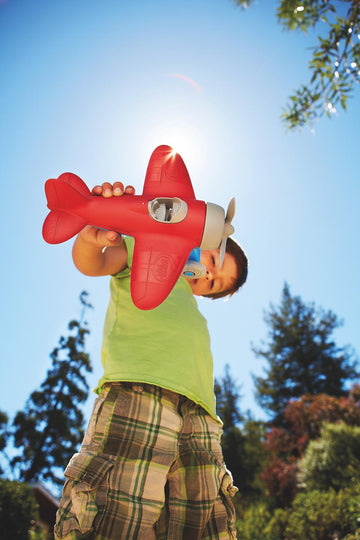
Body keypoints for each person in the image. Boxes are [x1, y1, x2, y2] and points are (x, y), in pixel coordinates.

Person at [54, 181, 248, 540]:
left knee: (200, 515)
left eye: (213, 285)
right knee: (116, 506)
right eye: (213, 262)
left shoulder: (188, 305)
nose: (207, 276)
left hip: (201, 416)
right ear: (203, 239)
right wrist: (92, 239)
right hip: (138, 390)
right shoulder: (149, 253)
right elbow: (94, 264)